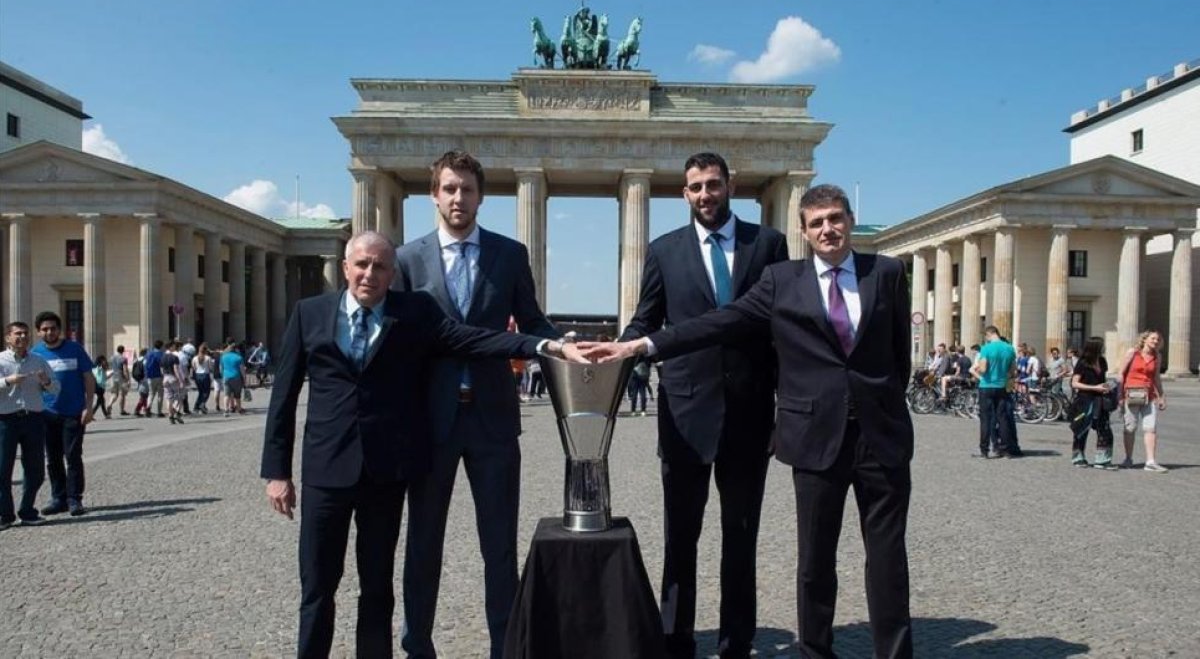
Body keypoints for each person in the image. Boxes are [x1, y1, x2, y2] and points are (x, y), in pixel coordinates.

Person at [583, 183, 914, 659]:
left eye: (836, 218)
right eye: (817, 222)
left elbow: (898, 359)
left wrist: (880, 406)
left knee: (888, 559)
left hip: (880, 437)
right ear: (803, 231)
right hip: (816, 435)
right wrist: (640, 345)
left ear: (849, 219)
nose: (828, 229)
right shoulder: (782, 280)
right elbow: (721, 321)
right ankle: (815, 652)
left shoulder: (885, 273)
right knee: (814, 563)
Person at [260, 231, 579, 658]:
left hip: (384, 473)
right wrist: (277, 472)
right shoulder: (309, 314)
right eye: (362, 264)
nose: (370, 274)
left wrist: (543, 344)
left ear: (394, 274)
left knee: (377, 587)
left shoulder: (413, 313)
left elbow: (472, 339)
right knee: (317, 586)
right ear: (345, 268)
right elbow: (283, 398)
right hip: (326, 471)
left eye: (380, 266)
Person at [611, 151, 788, 658]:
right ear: (683, 194)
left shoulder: (768, 244)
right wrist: (611, 356)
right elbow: (645, 319)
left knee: (741, 536)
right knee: (679, 536)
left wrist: (782, 410)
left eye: (713, 184)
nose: (705, 194)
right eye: (695, 187)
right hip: (685, 413)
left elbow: (780, 334)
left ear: (730, 185)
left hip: (751, 413)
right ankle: (675, 638)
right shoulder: (664, 250)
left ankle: (738, 641)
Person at [392, 150, 561, 659]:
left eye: (467, 189)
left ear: (481, 196)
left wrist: (566, 345)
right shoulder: (405, 259)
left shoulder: (509, 255)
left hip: (492, 418)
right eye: (449, 188)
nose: (458, 198)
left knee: (499, 547)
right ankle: (417, 645)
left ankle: (504, 649)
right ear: (433, 195)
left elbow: (531, 321)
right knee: (423, 544)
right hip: (430, 419)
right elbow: (400, 341)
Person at [32, 310, 96, 517]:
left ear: (60, 330)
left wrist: (89, 405)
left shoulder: (75, 349)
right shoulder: (36, 354)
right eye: (45, 329)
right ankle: (58, 497)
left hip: (74, 412)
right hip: (47, 413)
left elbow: (88, 378)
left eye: (53, 328)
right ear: (38, 332)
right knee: (53, 458)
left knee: (73, 456)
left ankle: (74, 499)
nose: (49, 332)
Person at [0, 321, 59, 530]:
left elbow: (55, 389)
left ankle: (27, 511)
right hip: (5, 419)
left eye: (25, 334)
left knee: (34, 469)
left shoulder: (38, 360)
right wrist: (7, 381)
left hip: (33, 418)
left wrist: (46, 382)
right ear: (8, 337)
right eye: (17, 334)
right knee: (2, 469)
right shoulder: (0, 360)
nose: (22, 337)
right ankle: (4, 514)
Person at [1118, 330, 1168, 472]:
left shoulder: (1157, 356)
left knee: (1150, 428)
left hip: (1149, 395)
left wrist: (1161, 396)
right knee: (1130, 428)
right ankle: (1128, 458)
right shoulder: (1132, 353)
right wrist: (1119, 395)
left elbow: (1156, 377)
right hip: (1131, 394)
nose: (1155, 341)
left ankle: (1150, 461)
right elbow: (1121, 373)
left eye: (1158, 339)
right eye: (1153, 338)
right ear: (1145, 339)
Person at [971, 326, 1019, 459]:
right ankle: (1006, 449)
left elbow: (983, 369)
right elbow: (1014, 371)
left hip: (986, 386)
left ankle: (984, 450)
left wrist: (978, 369)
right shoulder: (1010, 348)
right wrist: (1003, 374)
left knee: (986, 419)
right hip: (1002, 386)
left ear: (989, 334)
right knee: (1002, 418)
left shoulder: (986, 348)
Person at [1069, 336, 1116, 469]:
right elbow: (1075, 383)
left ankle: (1102, 460)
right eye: (1101, 345)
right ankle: (1078, 457)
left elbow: (1102, 378)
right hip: (1085, 399)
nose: (1104, 347)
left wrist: (1107, 387)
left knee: (1104, 429)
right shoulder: (1083, 363)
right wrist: (1094, 388)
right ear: (1094, 347)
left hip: (1100, 399)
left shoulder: (1102, 361)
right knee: (1082, 428)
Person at [160, 341, 186, 424]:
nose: (175, 347)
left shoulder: (162, 357)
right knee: (180, 396)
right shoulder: (174, 357)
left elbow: (161, 369)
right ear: (170, 347)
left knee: (169, 399)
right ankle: (178, 413)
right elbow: (176, 369)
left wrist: (164, 376)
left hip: (165, 378)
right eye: (174, 346)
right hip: (173, 378)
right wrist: (180, 380)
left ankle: (170, 416)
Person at [221, 342, 245, 417]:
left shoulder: (223, 357)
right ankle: (239, 409)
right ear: (235, 350)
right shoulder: (239, 357)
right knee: (237, 395)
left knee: (226, 395)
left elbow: (221, 368)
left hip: (226, 377)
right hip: (236, 377)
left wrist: (223, 375)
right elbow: (242, 369)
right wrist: (244, 378)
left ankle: (226, 410)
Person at [191, 343, 215, 415]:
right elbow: (211, 368)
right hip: (205, 375)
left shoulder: (194, 358)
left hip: (198, 375)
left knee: (201, 392)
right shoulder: (208, 358)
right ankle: (202, 404)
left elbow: (193, 367)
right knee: (207, 392)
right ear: (206, 350)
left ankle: (196, 407)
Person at [144, 340, 165, 417]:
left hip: (149, 376)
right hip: (158, 376)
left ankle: (148, 407)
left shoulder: (148, 354)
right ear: (161, 346)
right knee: (160, 394)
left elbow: (145, 363)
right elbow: (162, 365)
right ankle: (159, 412)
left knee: (151, 394)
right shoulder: (161, 354)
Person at [108, 345, 131, 416]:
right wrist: (128, 379)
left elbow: (111, 367)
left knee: (114, 394)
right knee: (122, 394)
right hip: (121, 377)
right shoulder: (123, 358)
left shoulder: (112, 358)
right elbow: (125, 369)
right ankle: (122, 410)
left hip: (114, 376)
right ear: (123, 351)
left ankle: (109, 404)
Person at [90, 354, 112, 419]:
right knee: (100, 401)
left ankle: (106, 415)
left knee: (101, 401)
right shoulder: (100, 367)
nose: (105, 361)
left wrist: (109, 375)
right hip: (99, 386)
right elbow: (106, 367)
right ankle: (92, 414)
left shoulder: (95, 367)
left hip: (98, 385)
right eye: (104, 359)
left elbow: (103, 377)